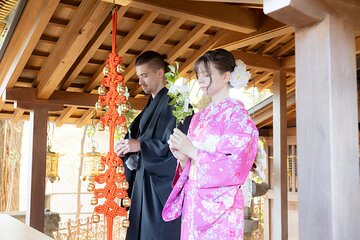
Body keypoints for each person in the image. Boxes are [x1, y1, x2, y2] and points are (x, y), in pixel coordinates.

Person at [162, 49, 259, 239]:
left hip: (220, 206)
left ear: (226, 76)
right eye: (199, 75)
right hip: (194, 199)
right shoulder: (199, 117)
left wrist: (193, 151)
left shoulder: (237, 115)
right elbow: (191, 163)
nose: (201, 79)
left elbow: (234, 165)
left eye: (207, 74)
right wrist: (183, 159)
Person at [115, 51, 191, 240]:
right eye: (139, 76)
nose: (140, 82)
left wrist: (141, 146)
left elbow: (178, 146)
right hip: (142, 181)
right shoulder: (149, 107)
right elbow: (135, 138)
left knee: (156, 232)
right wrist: (126, 148)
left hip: (159, 187)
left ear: (160, 73)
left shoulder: (179, 104)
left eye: (145, 75)